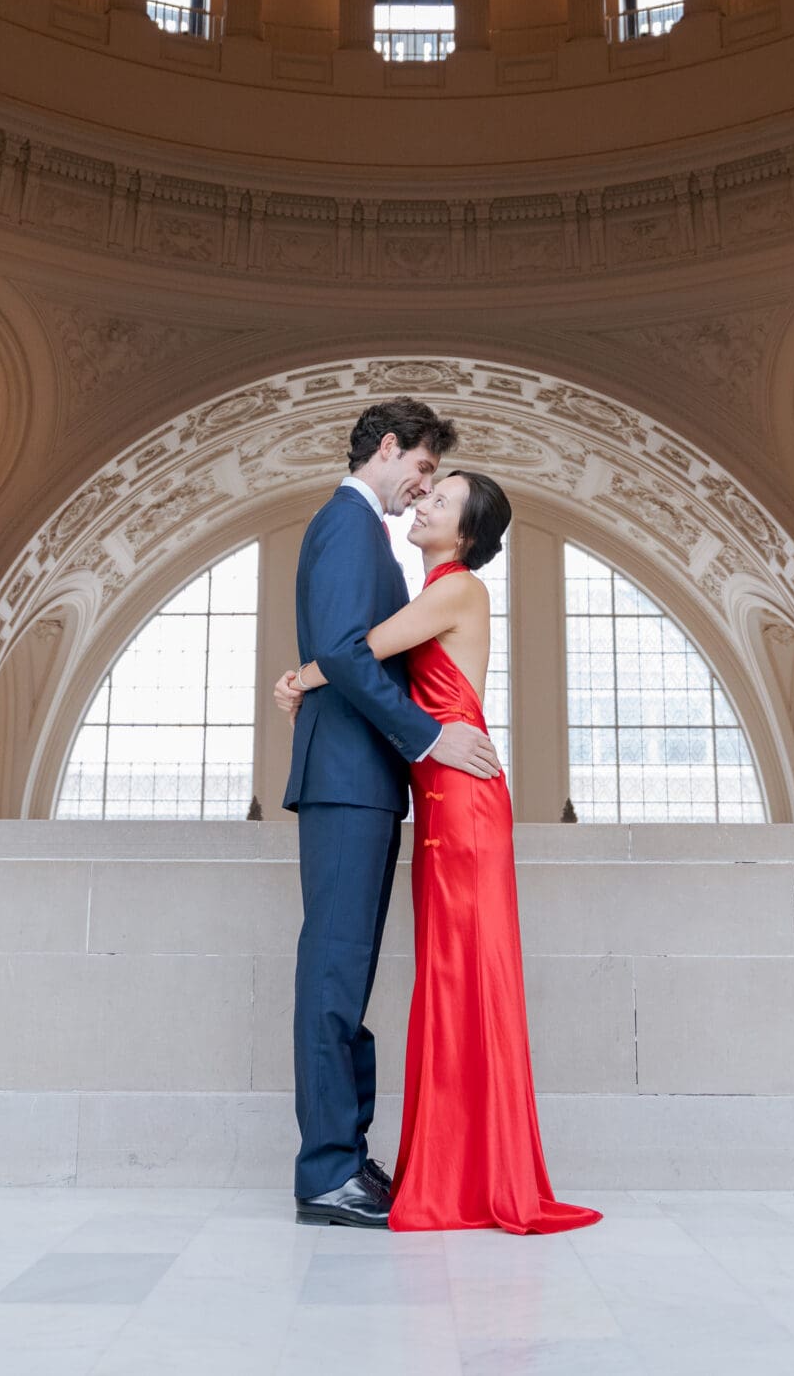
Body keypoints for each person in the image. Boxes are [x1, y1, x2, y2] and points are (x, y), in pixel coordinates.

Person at [278, 468, 600, 1236]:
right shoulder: (428, 591)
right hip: (443, 801)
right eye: (426, 489)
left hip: (463, 801)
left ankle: (468, 1175)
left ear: (465, 536)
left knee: (465, 977)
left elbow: (360, 651)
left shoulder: (454, 589)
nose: (424, 501)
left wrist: (299, 679)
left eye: (441, 499)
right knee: (449, 979)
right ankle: (455, 1169)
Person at [281, 399, 503, 1230]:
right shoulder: (348, 523)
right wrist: (428, 736)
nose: (423, 486)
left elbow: (340, 655)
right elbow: (344, 648)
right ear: (389, 448)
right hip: (348, 781)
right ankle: (327, 1172)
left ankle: (345, 1156)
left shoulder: (368, 534)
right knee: (334, 979)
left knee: (348, 980)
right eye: (422, 467)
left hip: (366, 783)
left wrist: (304, 675)